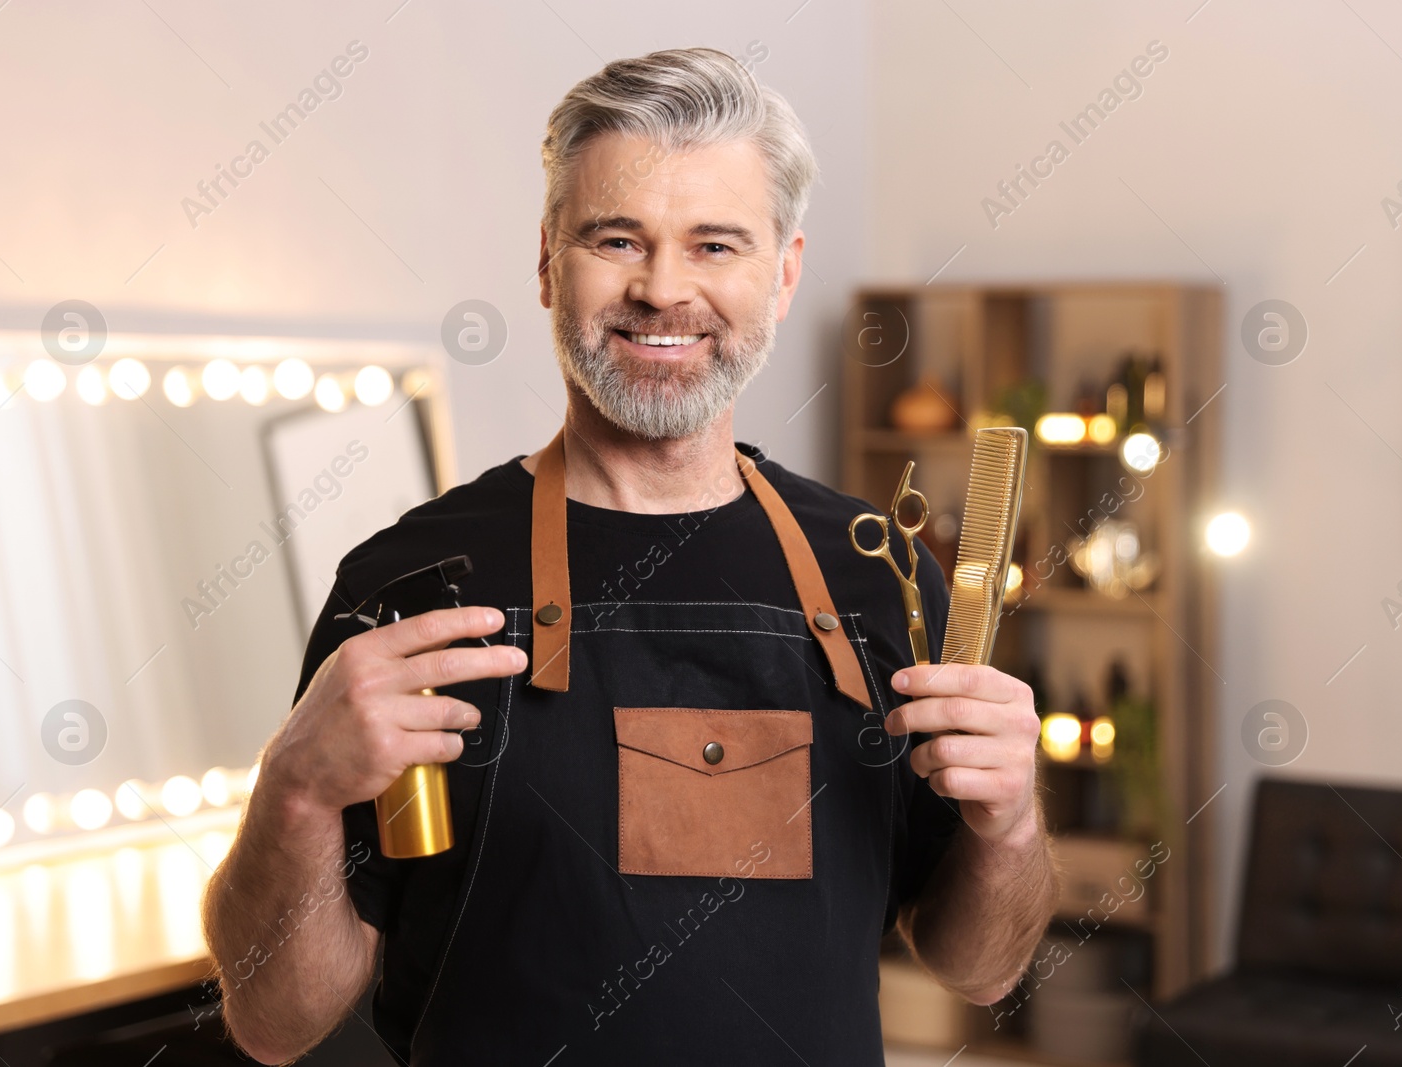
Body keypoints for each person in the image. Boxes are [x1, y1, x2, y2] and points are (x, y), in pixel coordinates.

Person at [203, 46, 1055, 1065]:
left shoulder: (882, 578)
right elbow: (271, 1020)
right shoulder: (410, 587)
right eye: (617, 238)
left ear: (781, 275)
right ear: (547, 263)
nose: (662, 289)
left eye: (714, 245)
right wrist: (292, 790)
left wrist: (1008, 821)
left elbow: (979, 965)